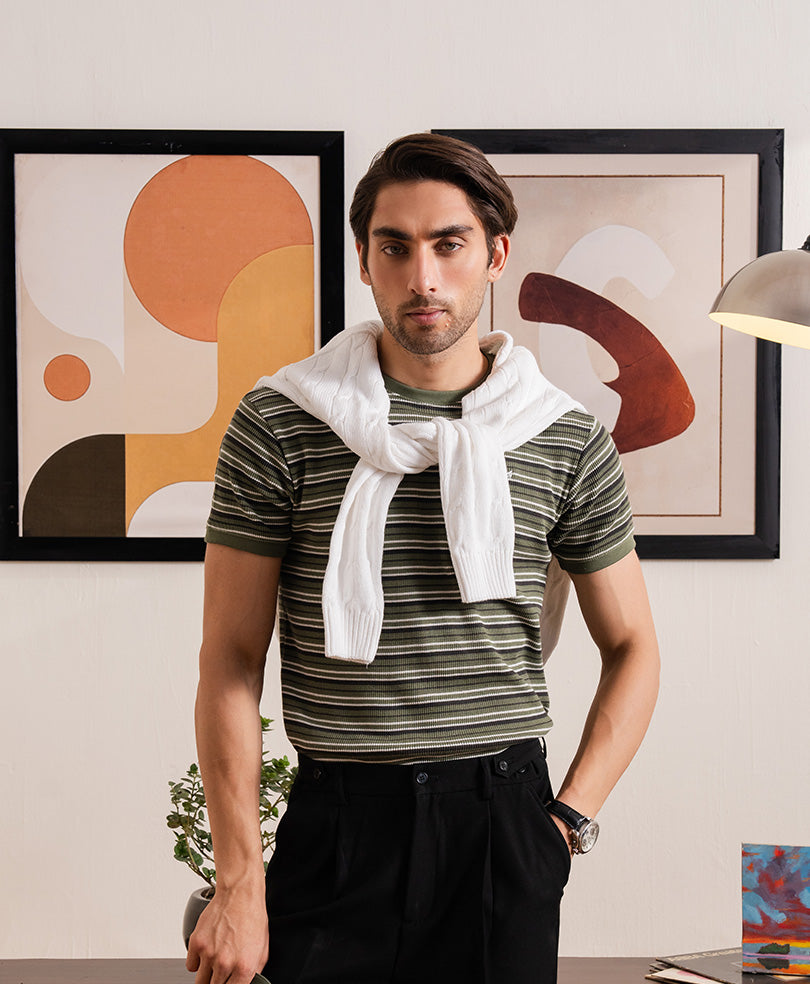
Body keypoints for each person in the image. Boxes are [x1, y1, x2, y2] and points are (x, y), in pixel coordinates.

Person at [187, 132, 660, 984]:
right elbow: (228, 658)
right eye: (395, 247)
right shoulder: (282, 421)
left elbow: (633, 646)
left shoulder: (564, 436)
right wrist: (238, 882)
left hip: (502, 823)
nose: (423, 277)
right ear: (364, 260)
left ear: (495, 255)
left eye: (449, 245)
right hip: (337, 824)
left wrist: (565, 824)